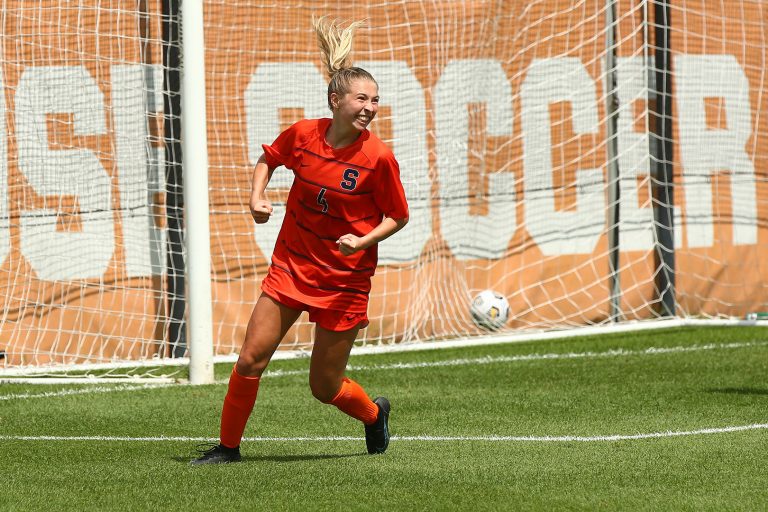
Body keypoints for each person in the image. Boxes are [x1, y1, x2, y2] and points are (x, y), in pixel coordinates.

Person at [192, 16, 409, 465]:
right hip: (291, 266)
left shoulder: (379, 157)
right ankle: (227, 449)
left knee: (324, 387)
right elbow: (268, 160)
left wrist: (363, 240)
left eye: (375, 100)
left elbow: (398, 216)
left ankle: (373, 415)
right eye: (361, 98)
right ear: (336, 100)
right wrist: (255, 198)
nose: (370, 107)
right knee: (251, 359)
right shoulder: (303, 134)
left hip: (345, 279)